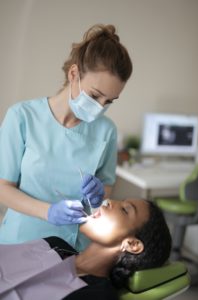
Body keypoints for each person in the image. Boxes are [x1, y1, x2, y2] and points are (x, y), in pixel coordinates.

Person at [0, 24, 133, 250]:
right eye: (95, 95)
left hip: (72, 249)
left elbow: (107, 186)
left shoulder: (106, 131)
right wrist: (48, 212)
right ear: (74, 74)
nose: (100, 107)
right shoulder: (22, 116)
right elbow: (3, 188)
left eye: (109, 101)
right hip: (19, 243)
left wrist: (99, 194)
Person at [0, 198, 172, 300]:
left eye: (125, 210)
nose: (109, 201)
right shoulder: (55, 244)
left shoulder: (97, 295)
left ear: (132, 244)